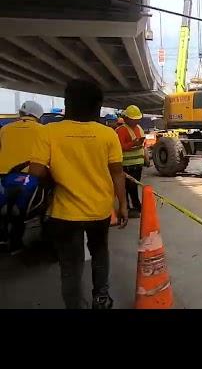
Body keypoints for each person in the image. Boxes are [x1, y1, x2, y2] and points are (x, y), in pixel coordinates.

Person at [29, 79, 128, 309]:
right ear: (98, 106)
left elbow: (36, 171)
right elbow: (117, 175)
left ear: (67, 103)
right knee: (100, 253)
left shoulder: (48, 132)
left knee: (71, 266)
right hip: (99, 210)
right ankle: (101, 297)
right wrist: (122, 205)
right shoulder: (107, 134)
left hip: (64, 213)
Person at [0, 101, 45, 254]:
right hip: (29, 177)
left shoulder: (4, 129)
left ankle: (3, 237)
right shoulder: (43, 130)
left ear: (20, 114)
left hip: (4, 177)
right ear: (38, 116)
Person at [115, 105, 146, 219]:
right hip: (126, 166)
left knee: (133, 187)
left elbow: (144, 146)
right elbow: (119, 147)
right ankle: (129, 207)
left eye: (138, 119)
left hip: (137, 165)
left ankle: (135, 207)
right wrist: (133, 143)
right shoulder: (121, 130)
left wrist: (145, 158)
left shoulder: (139, 128)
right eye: (134, 119)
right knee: (127, 187)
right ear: (127, 119)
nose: (137, 121)